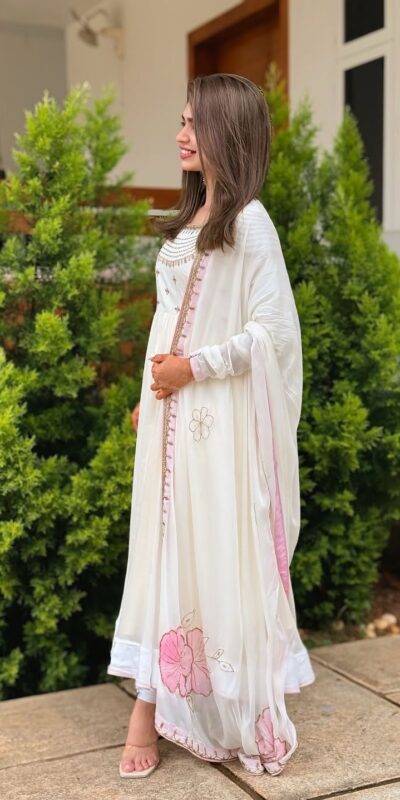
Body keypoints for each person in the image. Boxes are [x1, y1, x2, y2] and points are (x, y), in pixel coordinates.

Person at [107, 72, 315, 780]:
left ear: (229, 129)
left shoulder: (250, 222)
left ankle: (238, 703)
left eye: (194, 122)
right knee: (161, 551)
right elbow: (171, 317)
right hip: (170, 421)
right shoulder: (193, 216)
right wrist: (152, 392)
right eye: (182, 120)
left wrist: (191, 369)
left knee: (214, 553)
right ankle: (148, 703)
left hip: (215, 428)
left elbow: (273, 333)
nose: (181, 135)